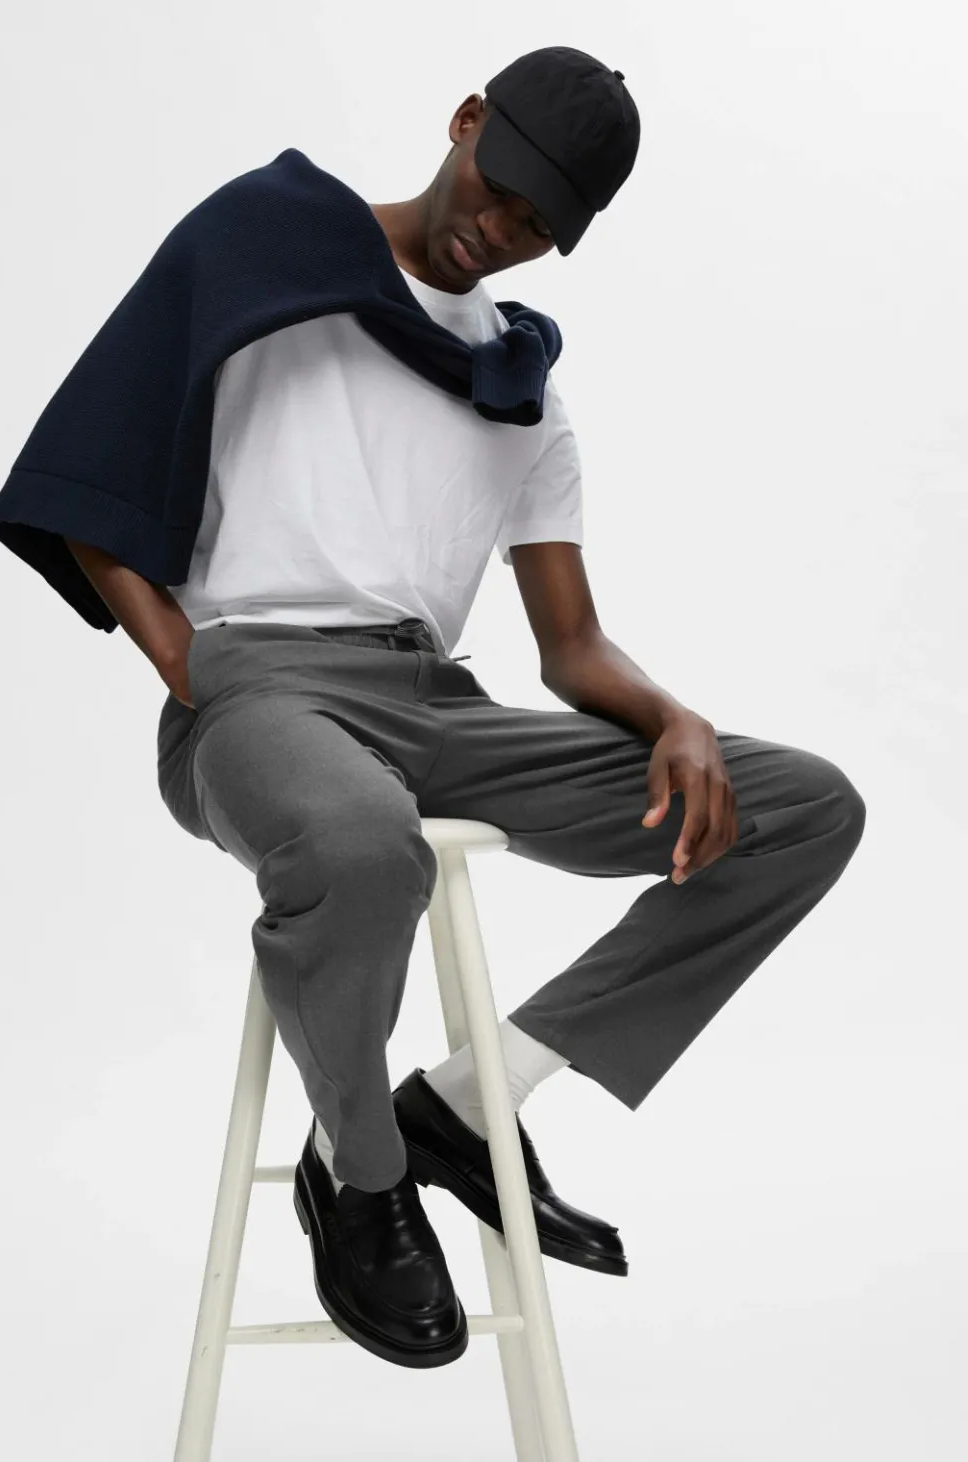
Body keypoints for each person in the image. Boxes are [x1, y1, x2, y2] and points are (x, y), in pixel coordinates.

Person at [58, 47, 863, 1371]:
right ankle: (361, 1173)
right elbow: (88, 464)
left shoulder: (520, 389)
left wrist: (675, 715)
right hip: (260, 689)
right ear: (466, 119)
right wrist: (187, 666)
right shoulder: (268, 242)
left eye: (541, 226)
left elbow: (571, 645)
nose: (502, 229)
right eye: (501, 189)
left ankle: (472, 1097)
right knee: (362, 842)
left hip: (437, 702)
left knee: (805, 808)